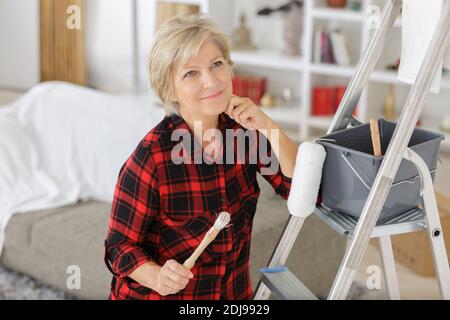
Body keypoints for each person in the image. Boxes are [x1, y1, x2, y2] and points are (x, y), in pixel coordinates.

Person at [104, 14, 298, 300]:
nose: (211, 81)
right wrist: (157, 276)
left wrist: (270, 127)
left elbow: (299, 189)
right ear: (170, 90)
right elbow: (118, 248)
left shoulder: (247, 132)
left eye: (216, 64)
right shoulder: (152, 158)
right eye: (190, 73)